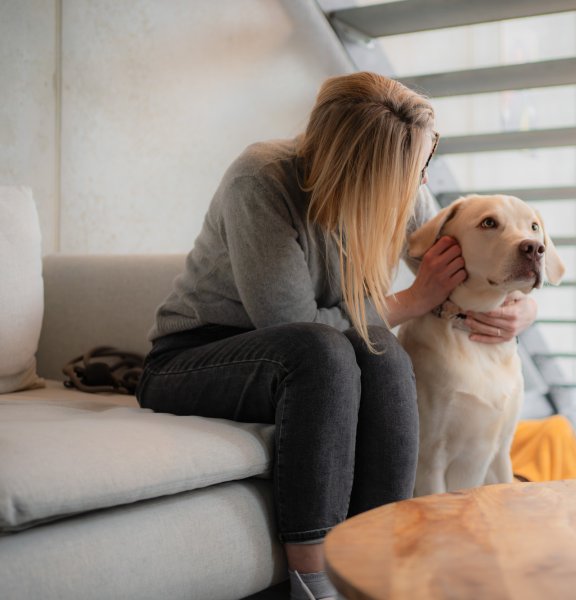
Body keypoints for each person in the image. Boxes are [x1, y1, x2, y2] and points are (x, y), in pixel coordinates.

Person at [136, 71, 537, 600]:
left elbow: (477, 258)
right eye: (415, 165)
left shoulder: (403, 182)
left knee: (384, 355)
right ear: (363, 167)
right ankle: (314, 576)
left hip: (306, 356)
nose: (421, 181)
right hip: (195, 357)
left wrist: (523, 306)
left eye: (427, 155)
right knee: (325, 351)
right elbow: (293, 326)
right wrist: (413, 299)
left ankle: (380, 561)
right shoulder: (261, 180)